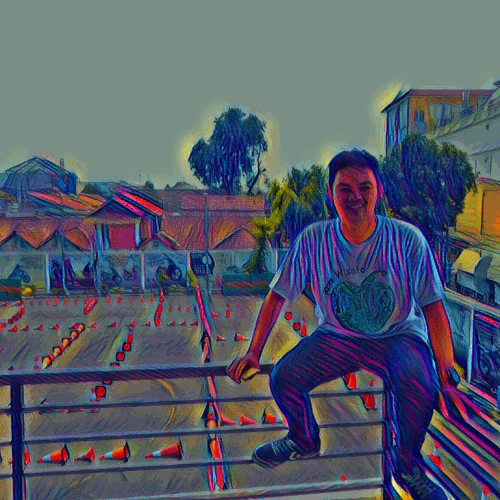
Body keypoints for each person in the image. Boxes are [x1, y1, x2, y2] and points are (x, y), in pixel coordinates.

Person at [228, 149, 485, 500]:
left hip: (397, 335)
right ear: (330, 194)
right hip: (337, 337)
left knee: (420, 384)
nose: (355, 197)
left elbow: (434, 309)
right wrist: (254, 353)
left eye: (365, 187)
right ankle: (303, 438)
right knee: (283, 378)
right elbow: (277, 296)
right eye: (344, 188)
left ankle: (407, 465)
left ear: (379, 191)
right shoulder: (314, 240)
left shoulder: (407, 240)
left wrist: (446, 376)